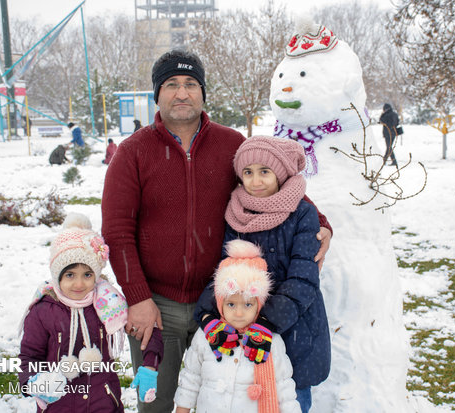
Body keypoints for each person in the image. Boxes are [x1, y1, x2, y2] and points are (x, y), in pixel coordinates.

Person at [101, 49, 333, 413]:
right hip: (157, 306)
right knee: (159, 403)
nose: (182, 93)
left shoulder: (231, 144)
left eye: (191, 84)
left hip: (227, 304)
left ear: (203, 92)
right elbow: (116, 230)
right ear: (157, 95)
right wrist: (137, 298)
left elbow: (274, 185)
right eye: (172, 84)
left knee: (225, 401)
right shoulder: (133, 152)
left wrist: (319, 221)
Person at [195, 136, 331, 413]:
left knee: (290, 395)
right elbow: (227, 270)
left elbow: (303, 277)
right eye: (248, 172)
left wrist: (267, 322)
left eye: (264, 172)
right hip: (243, 323)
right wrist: (207, 314)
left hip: (295, 327)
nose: (255, 181)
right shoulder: (237, 213)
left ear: (280, 173)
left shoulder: (303, 213)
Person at [18, 213, 163, 412]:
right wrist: (34, 383)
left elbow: (149, 328)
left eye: (87, 275)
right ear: (56, 275)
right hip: (59, 406)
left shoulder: (108, 304)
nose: (79, 284)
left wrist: (150, 366)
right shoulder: (43, 311)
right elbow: (29, 358)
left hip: (103, 404)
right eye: (70, 275)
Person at [174, 239, 301, 413]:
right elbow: (191, 377)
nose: (239, 313)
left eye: (247, 305)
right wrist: (182, 408)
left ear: (259, 305)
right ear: (220, 304)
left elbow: (284, 386)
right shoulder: (206, 336)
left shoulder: (270, 341)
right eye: (231, 305)